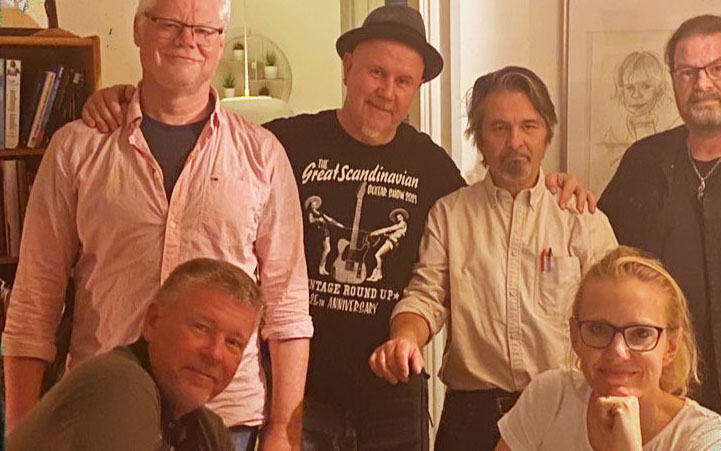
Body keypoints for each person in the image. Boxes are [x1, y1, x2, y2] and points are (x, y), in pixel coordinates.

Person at [80, 6, 596, 449]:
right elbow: (205, 130)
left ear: (416, 89)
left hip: (391, 394)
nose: (387, 91)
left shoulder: (434, 168)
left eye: (403, 81)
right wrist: (126, 99)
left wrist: (555, 186)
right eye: (376, 73)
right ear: (348, 67)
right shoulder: (284, 143)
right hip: (302, 388)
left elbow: (495, 210)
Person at [2, 1, 312, 450]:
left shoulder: (263, 156)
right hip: (104, 416)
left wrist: (283, 431)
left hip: (228, 424)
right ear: (138, 29)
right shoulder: (76, 149)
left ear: (220, 43)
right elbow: (34, 302)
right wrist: (21, 433)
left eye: (203, 31)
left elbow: (287, 308)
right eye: (170, 24)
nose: (187, 40)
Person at [369, 66, 618, 451]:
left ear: (547, 134)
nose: (515, 141)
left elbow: (615, 315)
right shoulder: (450, 215)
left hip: (563, 412)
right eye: (499, 128)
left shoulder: (582, 218)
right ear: (479, 138)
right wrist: (404, 338)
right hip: (472, 420)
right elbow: (425, 297)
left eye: (529, 126)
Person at [598, 14, 721, 438]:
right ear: (673, 79)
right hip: (661, 411)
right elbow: (602, 268)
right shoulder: (641, 165)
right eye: (688, 72)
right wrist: (567, 195)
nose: (702, 83)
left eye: (717, 68)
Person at [495, 246, 721, 451]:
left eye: (640, 334)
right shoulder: (550, 396)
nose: (618, 351)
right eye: (598, 329)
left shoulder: (716, 441)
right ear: (575, 336)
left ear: (670, 346)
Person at [7, 258, 261, 451]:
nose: (215, 353)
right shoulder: (120, 384)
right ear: (152, 321)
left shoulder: (204, 428)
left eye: (233, 343)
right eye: (201, 328)